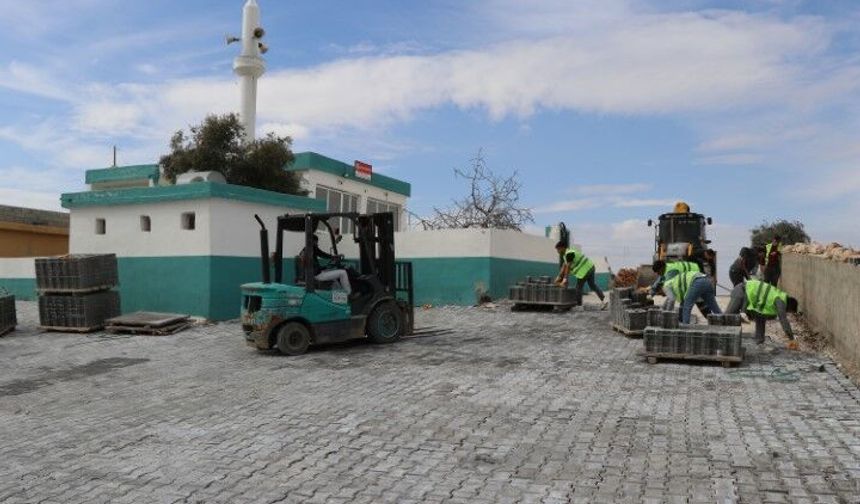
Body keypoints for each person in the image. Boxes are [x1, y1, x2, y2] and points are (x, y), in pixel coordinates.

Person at [725, 278, 798, 347]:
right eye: (789, 311)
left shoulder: (777, 297)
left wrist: (760, 341)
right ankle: (722, 340)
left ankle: (759, 341)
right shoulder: (780, 301)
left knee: (761, 317)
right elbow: (783, 320)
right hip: (741, 290)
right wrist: (791, 338)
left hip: (746, 295)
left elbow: (761, 316)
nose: (787, 312)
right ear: (789, 306)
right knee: (727, 317)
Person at [554, 241, 606, 308]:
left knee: (578, 288)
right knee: (592, 285)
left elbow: (568, 267)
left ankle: (579, 305)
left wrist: (565, 279)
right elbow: (564, 267)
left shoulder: (569, 253)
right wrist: (558, 277)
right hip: (590, 267)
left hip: (584, 270)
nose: (557, 251)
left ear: (563, 248)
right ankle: (604, 301)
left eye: (558, 249)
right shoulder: (567, 255)